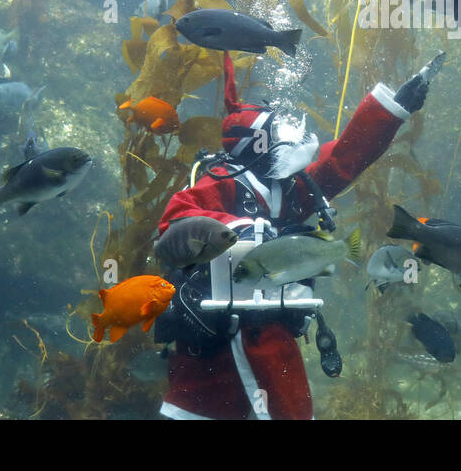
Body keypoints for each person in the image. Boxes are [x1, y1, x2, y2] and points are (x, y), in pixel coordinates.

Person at [152, 52, 433, 420]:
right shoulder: (218, 182)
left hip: (274, 334)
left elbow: (344, 158)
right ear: (256, 142)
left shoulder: (295, 185)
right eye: (276, 132)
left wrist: (393, 110)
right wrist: (237, 230)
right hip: (214, 342)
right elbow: (177, 218)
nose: (288, 138)